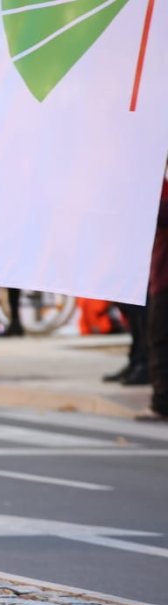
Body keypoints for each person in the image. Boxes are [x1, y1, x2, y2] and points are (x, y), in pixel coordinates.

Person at [138, 163, 168, 422]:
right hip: (160, 277)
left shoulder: (159, 192)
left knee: (159, 340)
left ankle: (161, 402)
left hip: (163, 280)